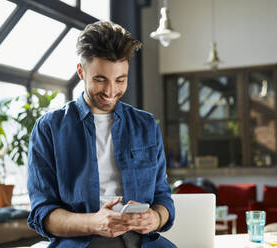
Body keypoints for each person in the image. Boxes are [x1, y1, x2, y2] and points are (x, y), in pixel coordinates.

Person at [27, 21, 175, 248]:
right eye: (100, 79)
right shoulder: (49, 128)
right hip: (81, 241)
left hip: (142, 241)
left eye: (120, 80)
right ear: (81, 72)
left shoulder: (145, 125)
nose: (110, 91)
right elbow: (42, 213)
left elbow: (163, 199)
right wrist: (94, 222)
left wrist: (155, 218)